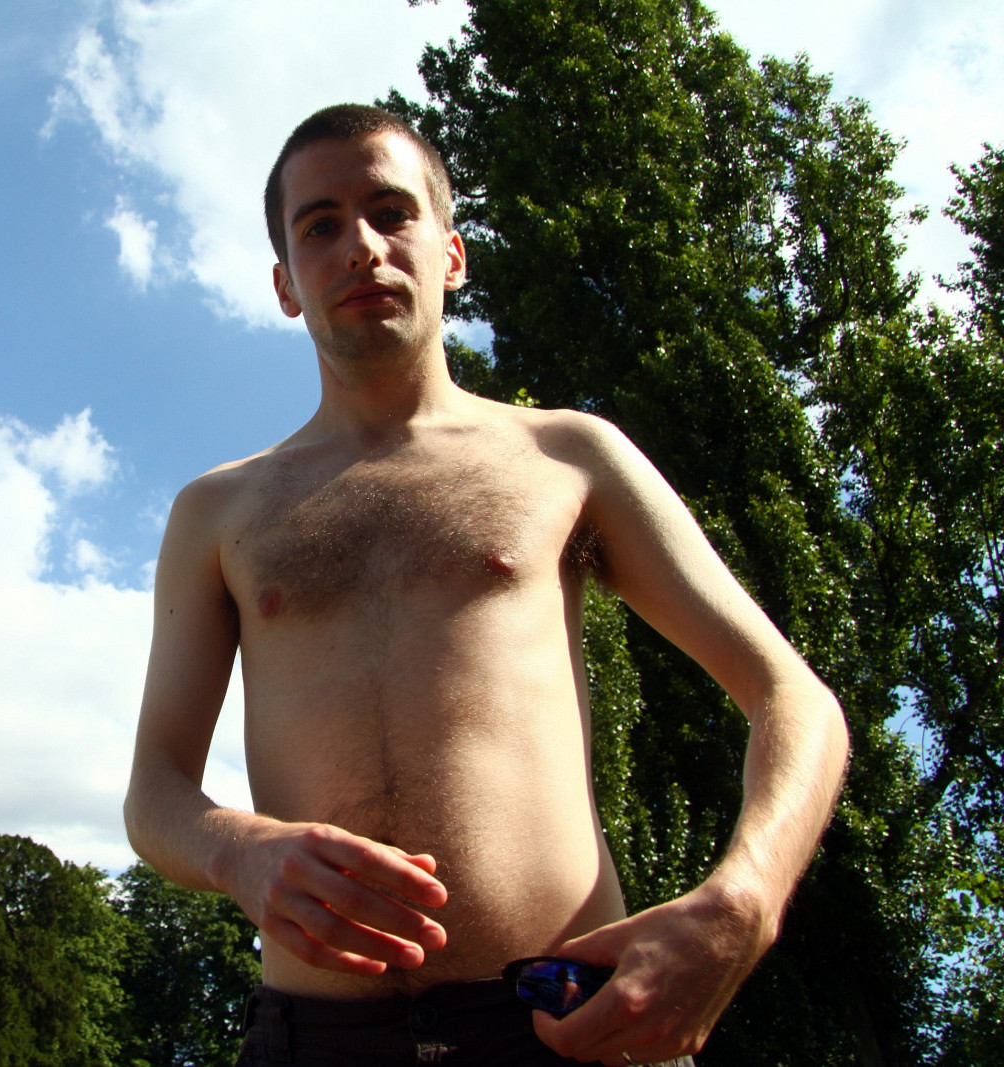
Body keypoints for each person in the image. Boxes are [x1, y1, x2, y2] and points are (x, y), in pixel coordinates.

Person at [124, 104, 850, 1066]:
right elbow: (154, 790)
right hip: (316, 1041)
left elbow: (792, 695)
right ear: (286, 285)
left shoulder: (568, 455)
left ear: (453, 253)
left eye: (392, 212)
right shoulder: (217, 512)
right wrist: (239, 850)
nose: (361, 246)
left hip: (569, 1025)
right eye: (320, 225)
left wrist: (744, 901)